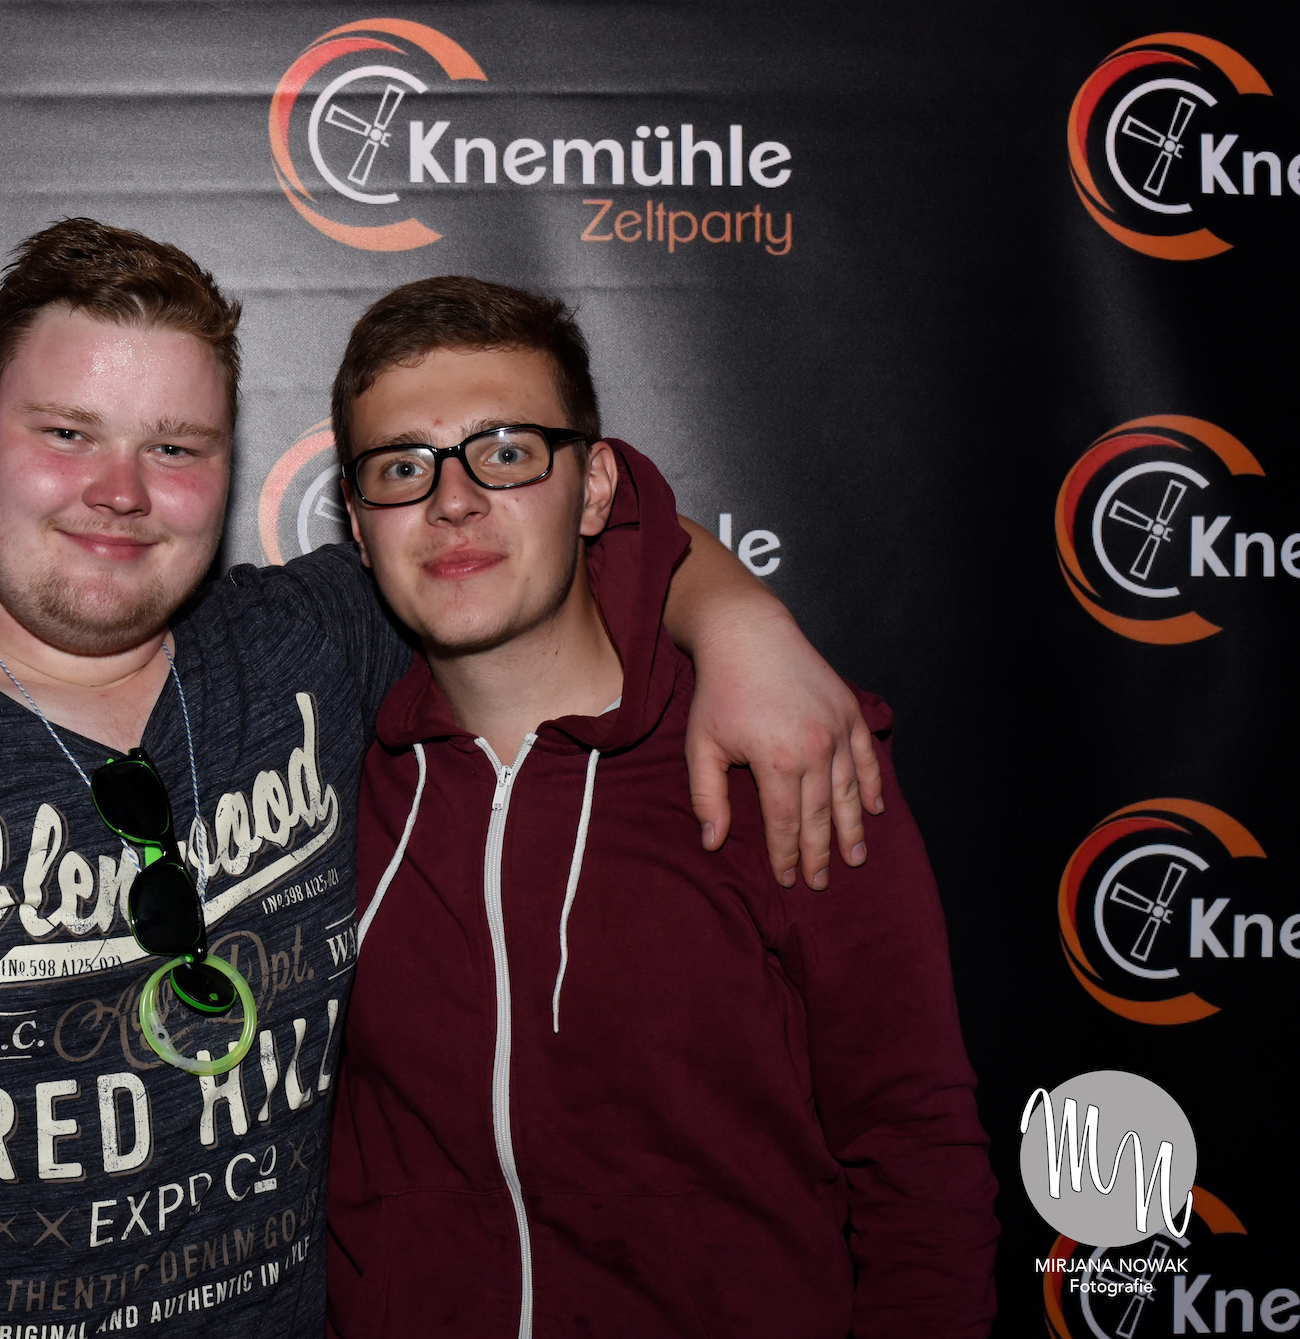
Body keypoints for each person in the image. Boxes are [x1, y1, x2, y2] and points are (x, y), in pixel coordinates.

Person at [0, 220, 882, 1339]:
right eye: (67, 432)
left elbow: (559, 516)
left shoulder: (314, 638)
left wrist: (743, 623)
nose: (120, 489)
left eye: (174, 446)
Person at [324, 277, 998, 1338]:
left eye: (506, 451)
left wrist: (737, 616)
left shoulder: (782, 757)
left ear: (595, 488)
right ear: (360, 526)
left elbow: (915, 1151)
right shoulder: (329, 769)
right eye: (402, 467)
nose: (453, 500)